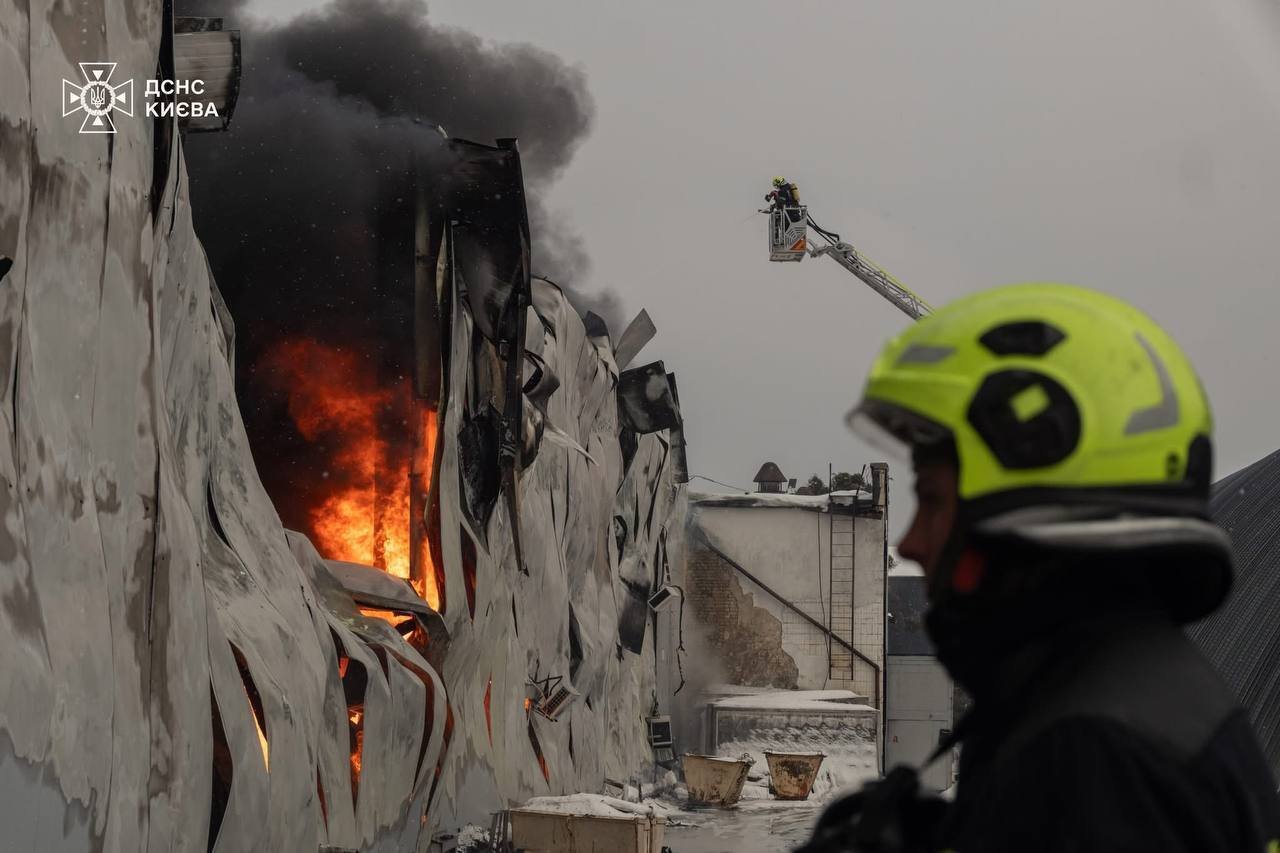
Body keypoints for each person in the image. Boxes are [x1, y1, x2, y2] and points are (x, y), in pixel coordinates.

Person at [801, 284, 1280, 852]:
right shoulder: (1121, 697)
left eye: (931, 502)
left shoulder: (1091, 757)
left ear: (1022, 520)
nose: (909, 543)